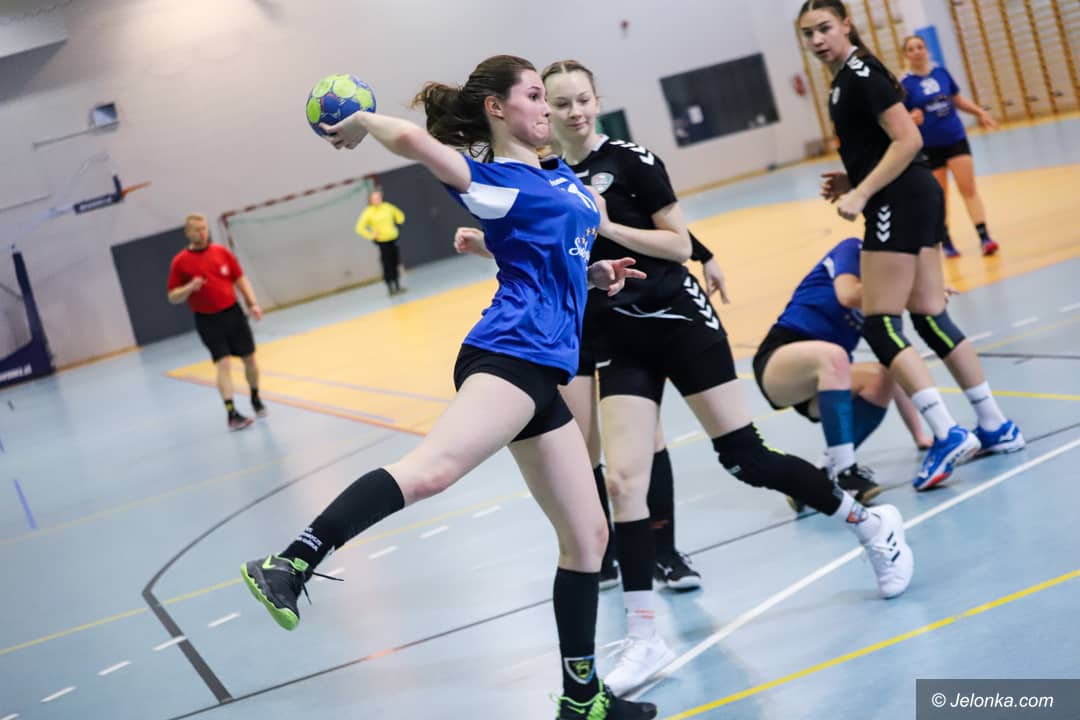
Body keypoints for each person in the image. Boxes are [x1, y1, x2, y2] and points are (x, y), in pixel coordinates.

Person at [239, 55, 656, 720]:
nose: (545, 108)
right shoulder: (493, 181)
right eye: (533, 96)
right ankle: (290, 562)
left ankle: (582, 696)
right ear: (497, 108)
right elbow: (412, 140)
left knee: (588, 537)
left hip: (541, 369)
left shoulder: (557, 178)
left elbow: (549, 254)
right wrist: (363, 120)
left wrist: (594, 277)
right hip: (509, 353)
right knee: (432, 470)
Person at [542, 58, 914, 697]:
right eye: (560, 104)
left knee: (745, 458)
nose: (574, 112)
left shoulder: (634, 161)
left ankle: (869, 524)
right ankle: (644, 635)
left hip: (682, 325)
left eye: (582, 99)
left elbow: (679, 244)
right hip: (616, 339)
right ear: (545, 112)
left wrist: (607, 226)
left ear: (596, 100)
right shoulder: (548, 178)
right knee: (624, 481)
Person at [798, 0, 1024, 492]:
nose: (817, 40)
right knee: (929, 315)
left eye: (824, 28)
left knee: (880, 324)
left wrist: (862, 192)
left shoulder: (860, 74)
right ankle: (995, 424)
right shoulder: (846, 80)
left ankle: (946, 433)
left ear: (846, 25)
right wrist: (853, 177)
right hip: (915, 193)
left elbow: (907, 139)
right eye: (808, 33)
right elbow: (885, 145)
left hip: (897, 200)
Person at [455, 225, 725, 593]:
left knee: (645, 437)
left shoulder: (600, 193)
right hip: (571, 323)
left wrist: (704, 255)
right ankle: (604, 553)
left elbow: (654, 218)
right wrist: (487, 243)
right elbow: (534, 247)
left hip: (625, 319)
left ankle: (664, 553)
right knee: (582, 445)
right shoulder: (541, 196)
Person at [753, 236, 935, 512]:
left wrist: (919, 434)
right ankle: (846, 472)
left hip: (826, 381)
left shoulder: (877, 304)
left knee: (882, 377)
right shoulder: (853, 249)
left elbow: (897, 365)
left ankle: (820, 474)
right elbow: (847, 294)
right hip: (780, 361)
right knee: (834, 356)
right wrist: (905, 291)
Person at [901, 34, 1000, 258]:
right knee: (939, 196)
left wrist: (980, 112)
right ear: (905, 55)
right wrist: (910, 118)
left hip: (954, 138)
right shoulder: (905, 84)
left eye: (920, 47)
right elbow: (899, 118)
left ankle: (984, 237)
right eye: (911, 49)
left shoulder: (941, 73)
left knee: (968, 188)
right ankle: (946, 241)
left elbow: (957, 99)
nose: (917, 52)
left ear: (926, 50)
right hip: (929, 147)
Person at [167, 213, 265, 430]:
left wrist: (252, 303)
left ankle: (255, 397)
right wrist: (189, 287)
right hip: (207, 320)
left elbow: (239, 279)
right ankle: (232, 414)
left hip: (233, 313)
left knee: (249, 359)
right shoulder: (180, 262)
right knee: (223, 363)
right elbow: (172, 296)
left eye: (204, 228)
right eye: (197, 229)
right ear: (188, 233)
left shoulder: (221, 252)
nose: (202, 233)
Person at [355, 189, 408, 295]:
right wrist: (371, 235)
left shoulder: (388, 207)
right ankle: (390, 287)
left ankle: (397, 285)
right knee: (386, 264)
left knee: (395, 262)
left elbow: (400, 215)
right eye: (374, 199)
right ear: (371, 200)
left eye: (378, 198)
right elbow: (359, 228)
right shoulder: (368, 212)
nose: (377, 200)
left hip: (392, 239)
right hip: (382, 241)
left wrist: (398, 224)